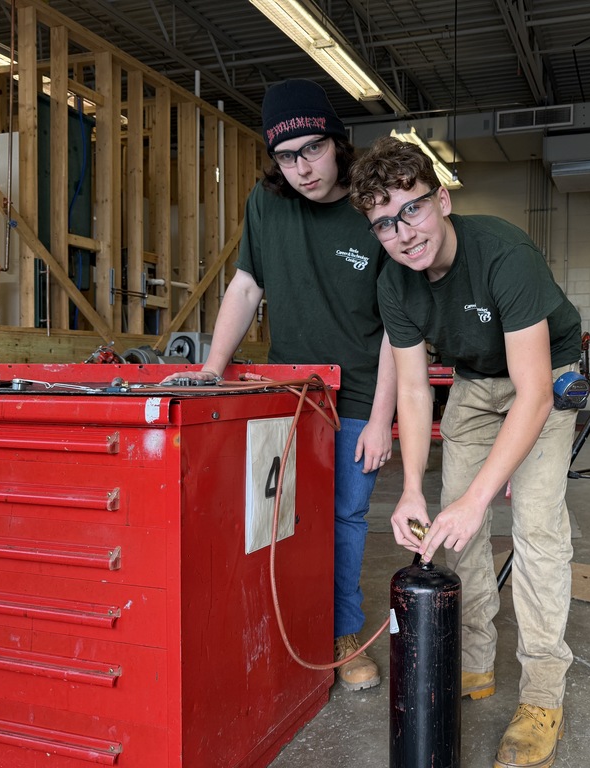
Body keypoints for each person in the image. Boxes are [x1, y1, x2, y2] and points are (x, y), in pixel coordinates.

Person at [349, 136, 583, 768]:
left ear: (442, 199)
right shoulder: (394, 282)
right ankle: (474, 662)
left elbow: (533, 396)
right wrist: (415, 490)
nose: (402, 233)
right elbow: (416, 388)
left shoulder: (504, 252)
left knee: (536, 529)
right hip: (476, 382)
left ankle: (541, 695)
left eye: (412, 210)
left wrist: (481, 499)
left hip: (544, 374)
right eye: (382, 223)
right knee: (452, 532)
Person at [167, 80, 395, 692]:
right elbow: (246, 285)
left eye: (313, 150)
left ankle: (343, 632)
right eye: (287, 156)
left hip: (355, 395)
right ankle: (286, 623)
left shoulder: (373, 208)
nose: (301, 168)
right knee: (279, 520)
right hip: (287, 393)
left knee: (345, 517)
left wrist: (381, 418)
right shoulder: (266, 203)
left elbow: (396, 330)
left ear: (337, 141)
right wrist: (215, 365)